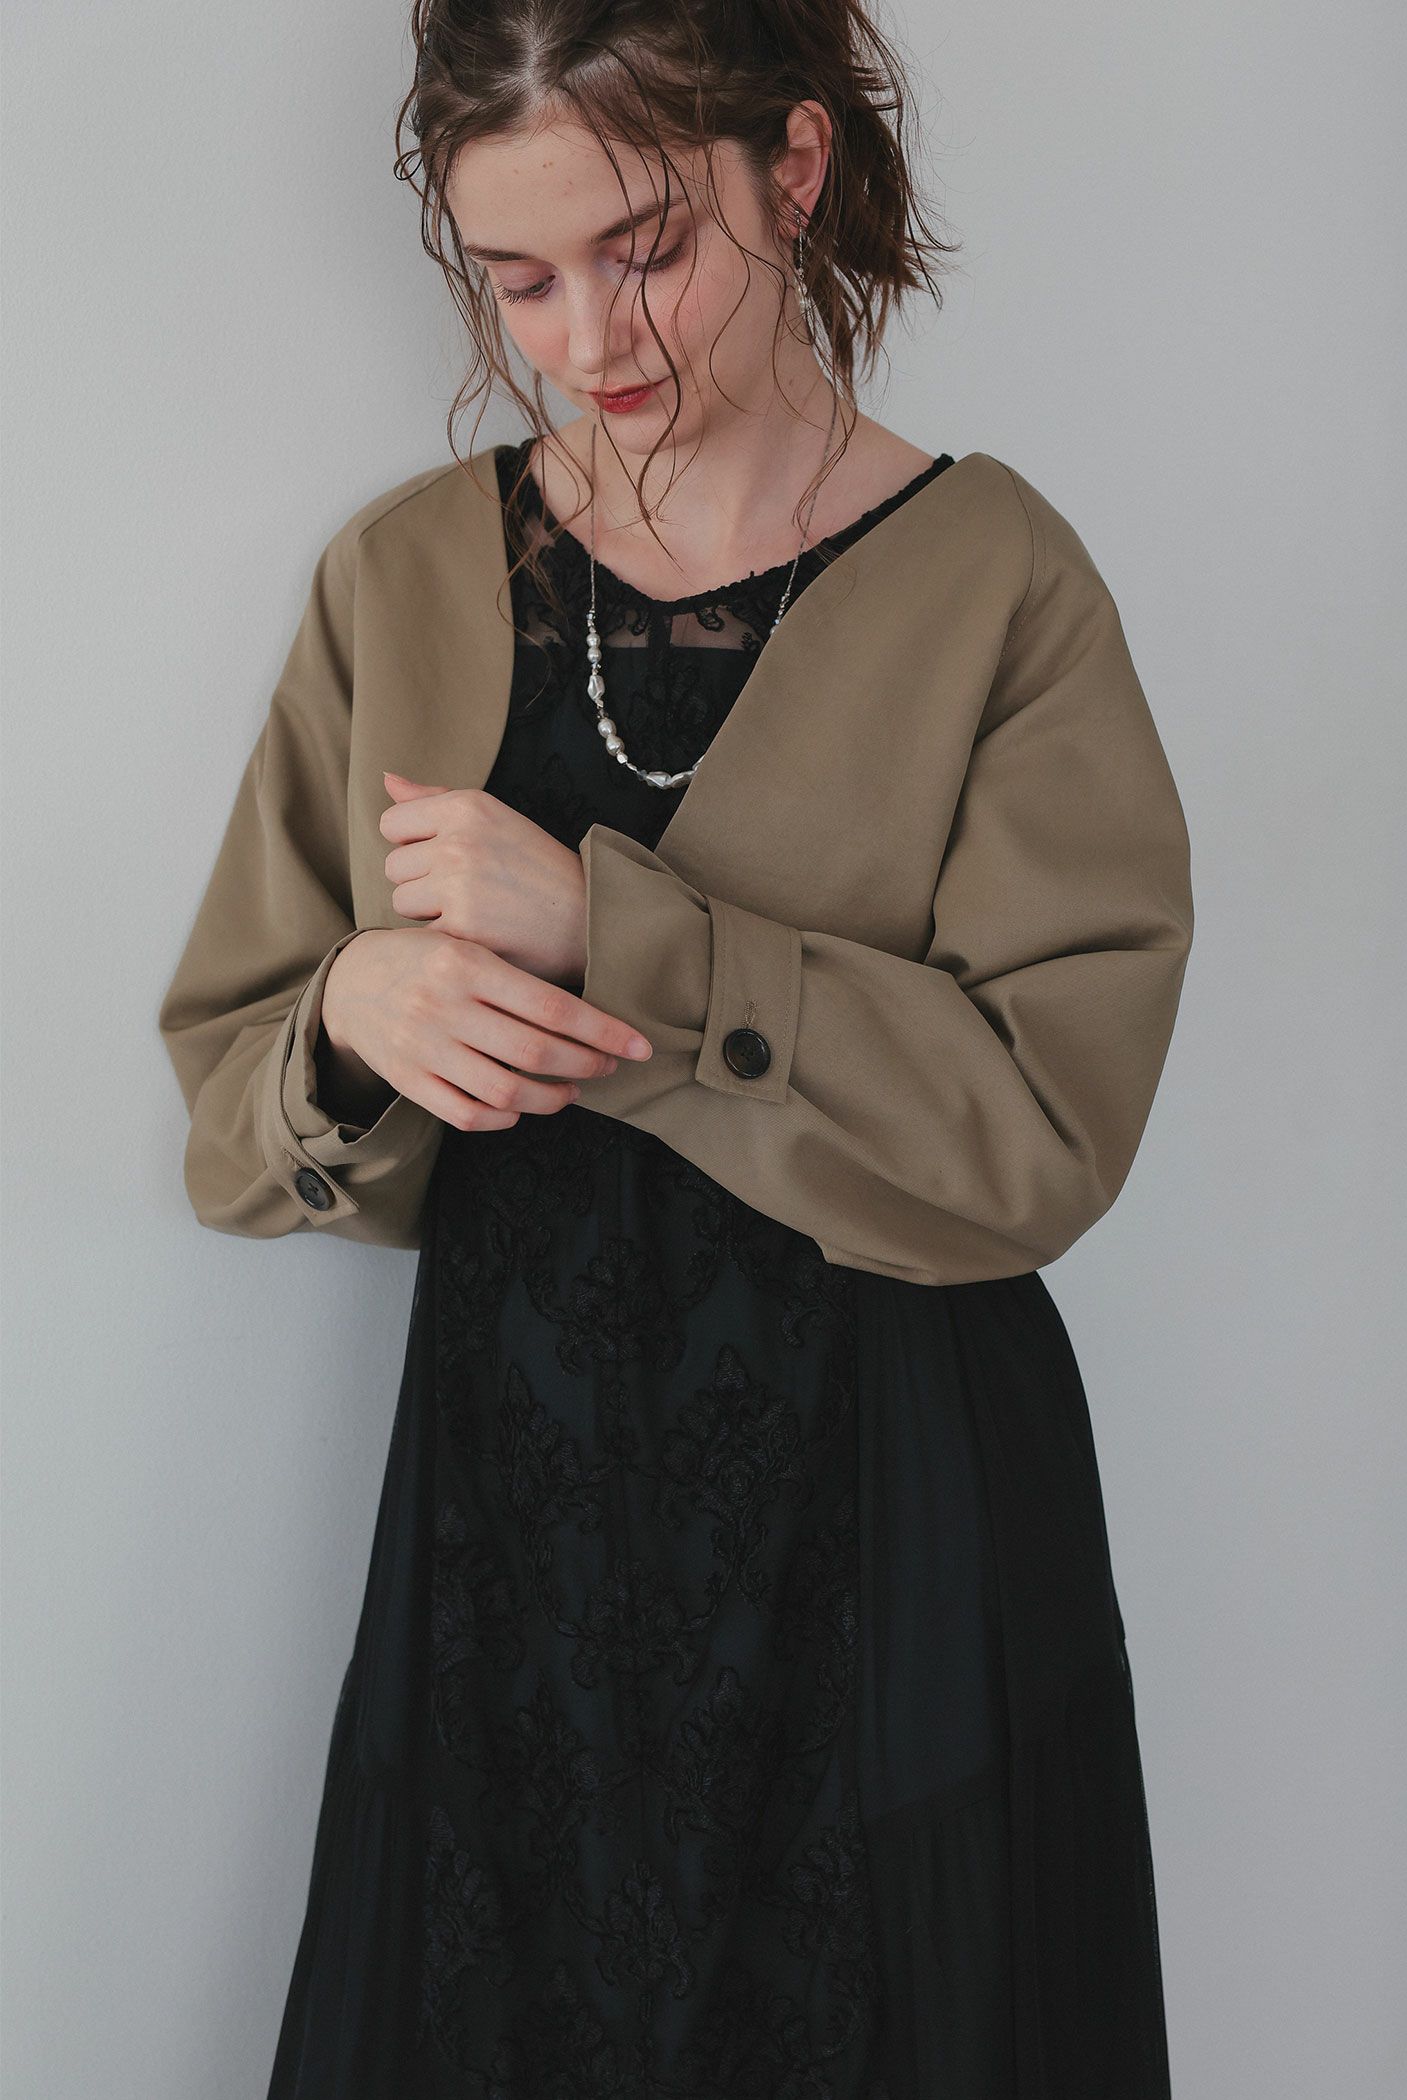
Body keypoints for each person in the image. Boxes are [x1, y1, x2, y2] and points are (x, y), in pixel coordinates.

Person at [158, 1, 1195, 2092]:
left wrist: (614, 931)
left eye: (644, 250)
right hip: (513, 1534)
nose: (586, 338)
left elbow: (1044, 1136)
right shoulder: (405, 575)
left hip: (895, 1517)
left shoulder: (998, 580)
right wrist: (354, 1008)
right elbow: (236, 1113)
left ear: (793, 168)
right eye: (518, 278)